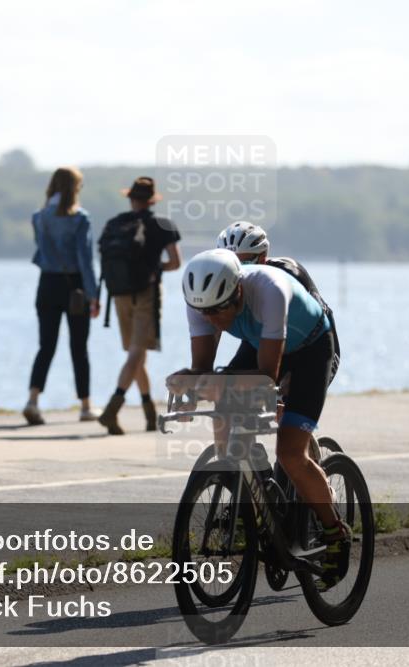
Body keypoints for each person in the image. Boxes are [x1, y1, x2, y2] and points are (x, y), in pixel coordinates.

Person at [169, 249, 350, 591]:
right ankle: (242, 487)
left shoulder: (269, 290)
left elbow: (266, 378)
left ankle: (334, 532)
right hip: (261, 340)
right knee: (224, 405)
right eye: (204, 312)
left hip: (310, 349)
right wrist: (189, 383)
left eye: (219, 310)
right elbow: (202, 371)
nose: (213, 320)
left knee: (291, 453)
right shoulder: (201, 304)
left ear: (238, 291)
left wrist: (205, 384)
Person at [97, 177, 181, 435]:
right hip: (147, 293)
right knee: (136, 354)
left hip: (119, 294)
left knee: (136, 354)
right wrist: (157, 270)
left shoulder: (114, 224)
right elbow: (176, 262)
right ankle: (113, 407)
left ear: (131, 198)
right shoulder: (162, 224)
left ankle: (149, 415)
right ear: (152, 199)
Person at [23, 167, 101, 425]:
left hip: (47, 283)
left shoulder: (39, 217)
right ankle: (85, 405)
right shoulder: (80, 218)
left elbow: (40, 251)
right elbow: (85, 259)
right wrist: (94, 294)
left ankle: (33, 400)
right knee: (79, 347)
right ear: (74, 188)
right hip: (74, 286)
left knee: (46, 345)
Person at [216, 221, 339, 376]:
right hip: (262, 338)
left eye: (244, 263)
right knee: (230, 383)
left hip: (311, 340)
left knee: (292, 393)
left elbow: (319, 326)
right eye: (230, 265)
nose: (238, 271)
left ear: (262, 258)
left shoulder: (289, 273)